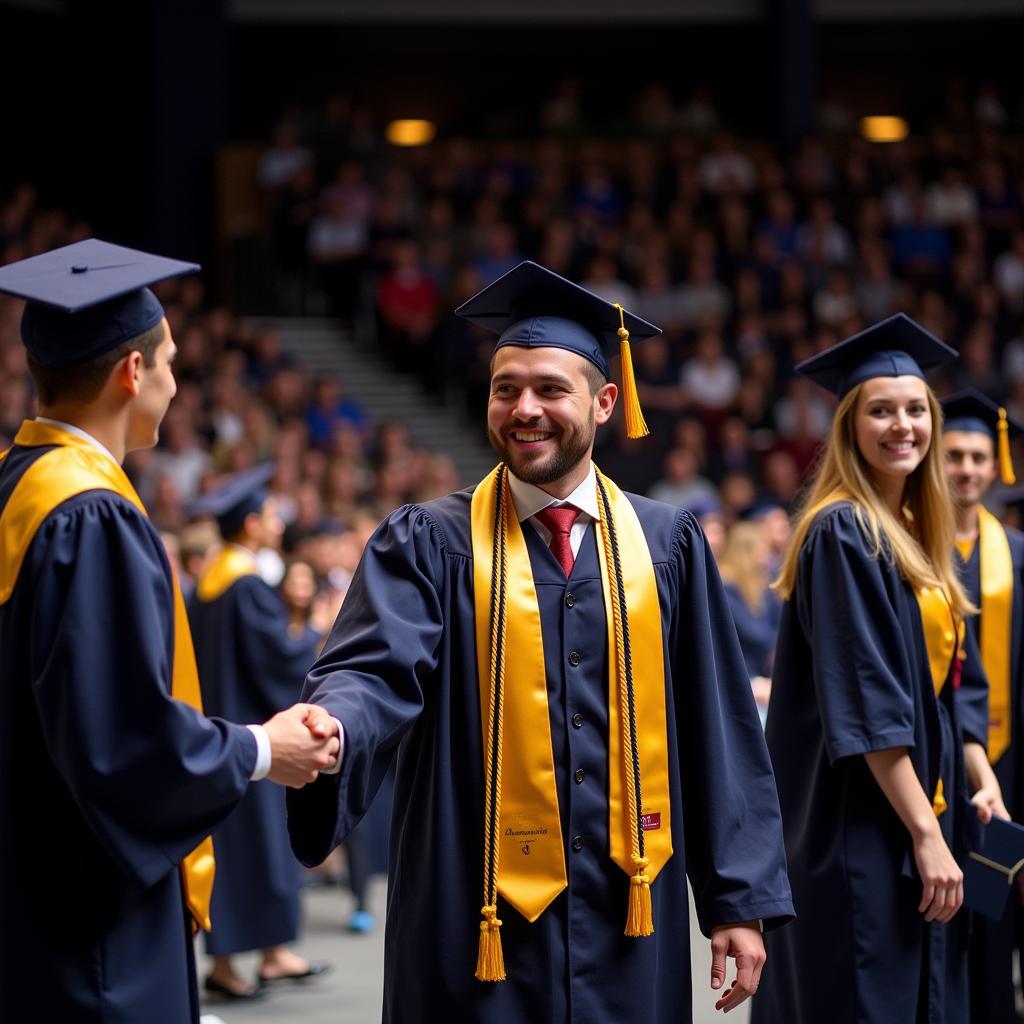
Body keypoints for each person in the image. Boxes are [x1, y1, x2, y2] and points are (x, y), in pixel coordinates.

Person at [288, 261, 794, 1022]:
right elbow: (373, 668)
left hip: (629, 912)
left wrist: (738, 900)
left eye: (551, 390)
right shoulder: (428, 542)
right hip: (476, 913)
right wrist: (336, 720)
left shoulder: (668, 545)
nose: (525, 409)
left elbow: (716, 725)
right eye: (506, 388)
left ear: (605, 401)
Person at [0, 239, 340, 1024]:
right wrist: (263, 749)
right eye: (170, 364)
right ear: (131, 372)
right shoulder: (88, 515)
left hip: (31, 885)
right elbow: (120, 741)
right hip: (89, 918)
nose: (176, 382)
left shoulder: (19, 487)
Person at [754, 314, 1008, 1024]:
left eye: (914, 409)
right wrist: (926, 834)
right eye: (880, 410)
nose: (903, 425)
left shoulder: (916, 539)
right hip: (864, 826)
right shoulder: (843, 530)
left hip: (921, 810)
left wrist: (977, 783)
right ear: (849, 426)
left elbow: (945, 689)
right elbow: (867, 706)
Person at [187, 466, 331, 999]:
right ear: (250, 525)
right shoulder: (244, 584)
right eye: (270, 515)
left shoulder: (211, 580)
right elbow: (276, 655)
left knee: (244, 848)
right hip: (254, 732)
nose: (277, 522)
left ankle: (270, 955)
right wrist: (313, 629)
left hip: (222, 726)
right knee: (255, 846)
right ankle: (231, 966)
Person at [940, 389, 1024, 1024]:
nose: (966, 469)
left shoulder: (1019, 558)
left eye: (977, 457)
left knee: (1000, 919)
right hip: (940, 766)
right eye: (954, 456)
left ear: (995, 465)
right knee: (945, 922)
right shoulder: (912, 550)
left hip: (1013, 764)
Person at [717, 519, 781, 725]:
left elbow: (776, 627)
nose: (767, 558)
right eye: (762, 550)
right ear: (746, 552)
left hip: (763, 677)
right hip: (740, 679)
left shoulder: (760, 584)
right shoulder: (725, 587)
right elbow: (757, 635)